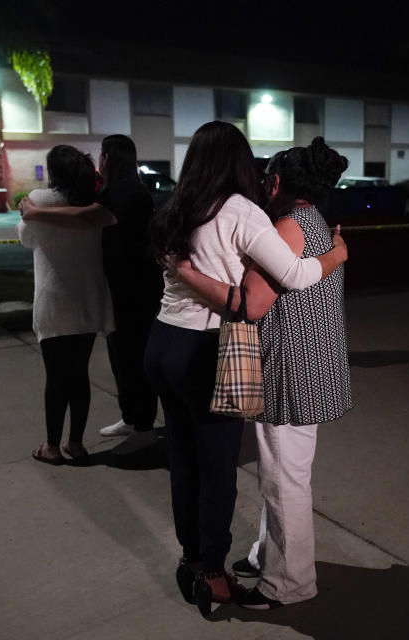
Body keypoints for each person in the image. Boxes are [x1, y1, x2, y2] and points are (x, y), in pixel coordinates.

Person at [143, 121, 348, 617]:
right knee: (225, 472)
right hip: (217, 350)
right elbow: (266, 298)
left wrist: (186, 273)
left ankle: (211, 560)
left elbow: (259, 300)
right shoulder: (267, 218)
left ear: (277, 182)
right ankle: (216, 572)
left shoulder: (178, 209)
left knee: (192, 463)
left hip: (165, 343)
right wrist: (339, 253)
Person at [20, 135, 163, 455]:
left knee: (132, 359)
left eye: (102, 155)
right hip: (114, 290)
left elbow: (87, 218)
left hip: (134, 292)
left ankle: (143, 428)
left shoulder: (128, 192)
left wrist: (34, 212)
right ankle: (129, 419)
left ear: (108, 158)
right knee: (118, 360)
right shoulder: (111, 191)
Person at [16, 145, 115, 466]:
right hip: (86, 299)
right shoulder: (90, 204)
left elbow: (25, 238)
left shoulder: (39, 201)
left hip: (54, 300)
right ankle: (76, 442)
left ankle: (51, 446)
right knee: (79, 374)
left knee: (56, 376)